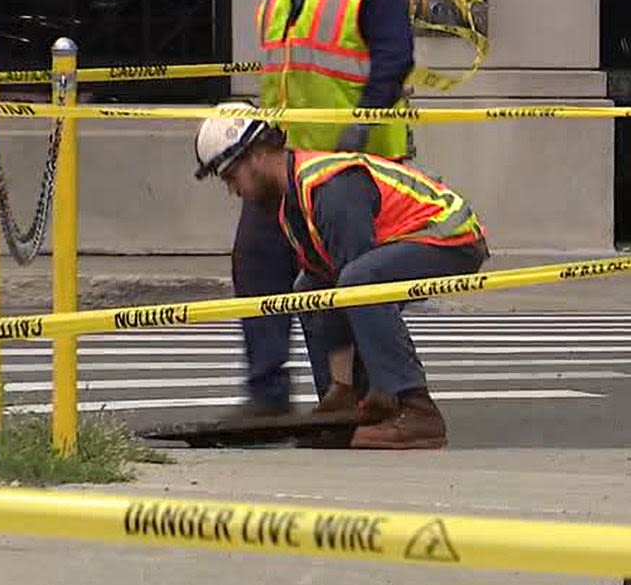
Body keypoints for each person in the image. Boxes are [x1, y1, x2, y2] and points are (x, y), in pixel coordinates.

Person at [232, 0, 416, 419]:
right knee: (257, 262)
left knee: (339, 283)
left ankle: (352, 401)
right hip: (286, 160)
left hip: (348, 164)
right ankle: (267, 395)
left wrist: (359, 125)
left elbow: (393, 58)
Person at [194, 110, 488, 450]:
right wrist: (344, 390)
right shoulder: (293, 203)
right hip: (416, 238)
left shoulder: (331, 189)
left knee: (359, 280)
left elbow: (361, 292)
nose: (233, 190)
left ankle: (417, 410)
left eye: (232, 176)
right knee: (309, 289)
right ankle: (345, 400)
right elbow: (326, 283)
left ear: (258, 155)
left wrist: (381, 388)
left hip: (451, 235)